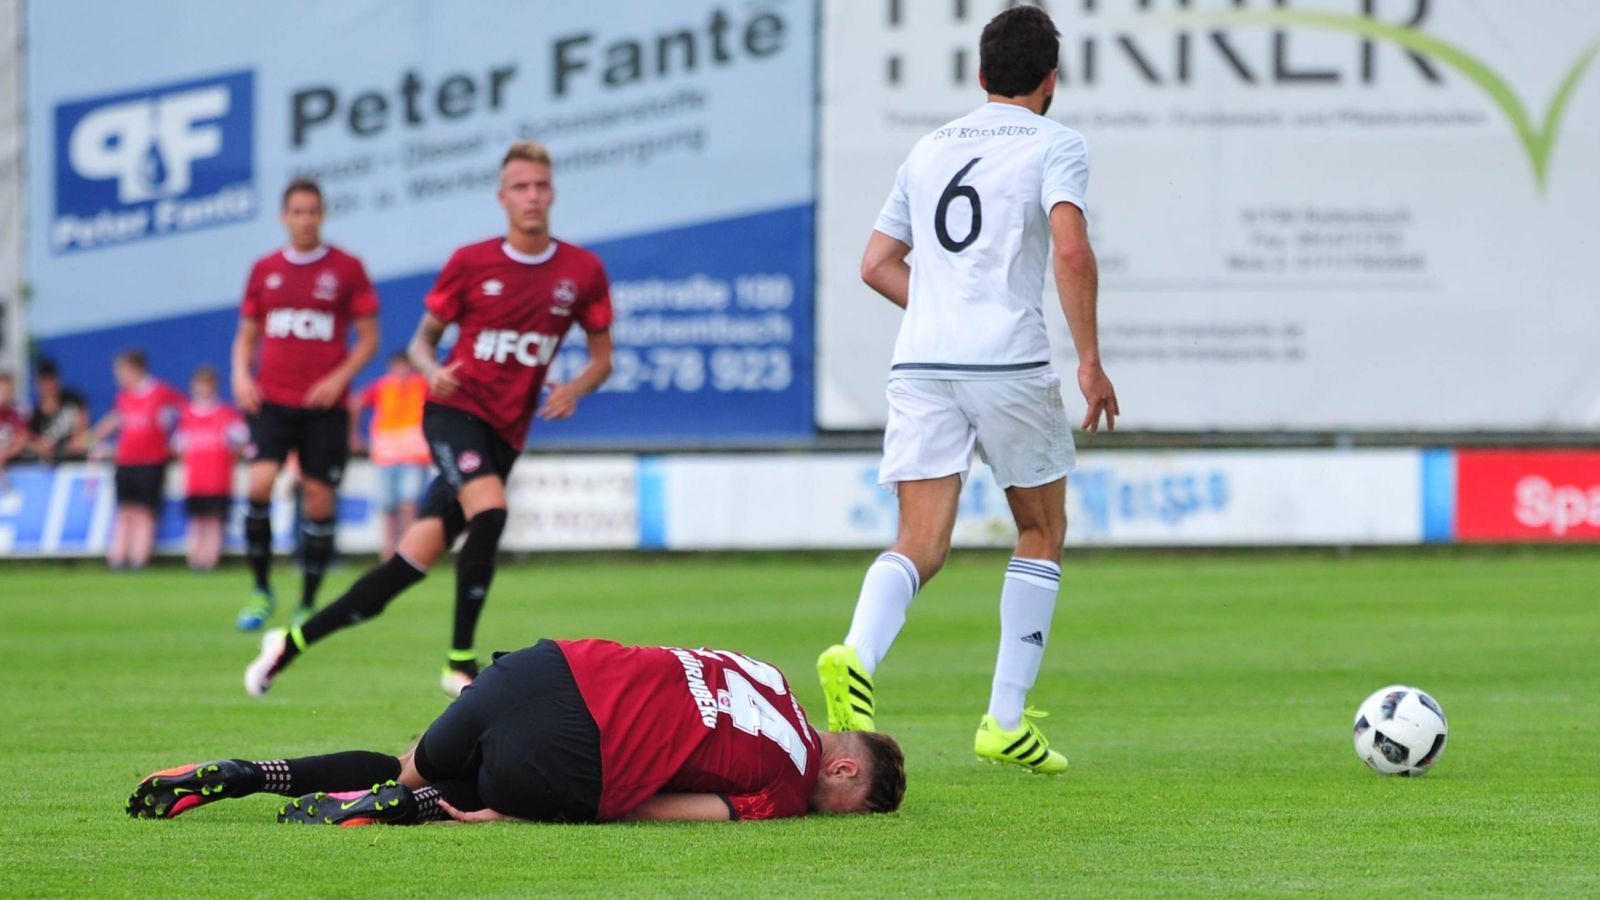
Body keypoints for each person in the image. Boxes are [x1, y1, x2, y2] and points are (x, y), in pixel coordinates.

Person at [816, 6, 1118, 775]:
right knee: (1041, 531)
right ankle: (1004, 721)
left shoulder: (928, 147)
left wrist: (942, 311)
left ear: (980, 77)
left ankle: (855, 652)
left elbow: (876, 263)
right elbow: (1072, 251)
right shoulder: (1058, 143)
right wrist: (1088, 359)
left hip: (920, 362)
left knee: (920, 542)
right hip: (1008, 361)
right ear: (1051, 80)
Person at [244, 141, 614, 699]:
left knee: (404, 568)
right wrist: (429, 369)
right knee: (489, 510)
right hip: (454, 411)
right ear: (502, 197)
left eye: (540, 186)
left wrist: (576, 388)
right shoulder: (471, 262)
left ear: (552, 192)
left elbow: (603, 358)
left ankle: (289, 643)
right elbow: (421, 342)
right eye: (520, 187)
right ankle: (460, 662)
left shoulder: (581, 271)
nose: (531, 196)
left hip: (506, 433)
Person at [132, 638, 905, 824]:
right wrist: (551, 810)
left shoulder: (767, 672)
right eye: (853, 804)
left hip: (542, 668)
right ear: (843, 773)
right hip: (572, 756)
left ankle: (247, 772)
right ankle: (415, 806)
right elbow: (672, 808)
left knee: (410, 758)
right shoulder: (788, 789)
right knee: (474, 790)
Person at [231, 178, 380, 631]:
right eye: (297, 212)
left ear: (323, 215)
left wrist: (339, 379)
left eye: (313, 211)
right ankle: (261, 590)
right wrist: (240, 374)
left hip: (323, 405)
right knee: (258, 485)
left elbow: (369, 338)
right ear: (284, 216)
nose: (305, 220)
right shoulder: (264, 269)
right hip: (272, 398)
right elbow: (248, 332)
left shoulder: (347, 268)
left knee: (318, 498)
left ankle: (308, 601)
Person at [83, 349, 185, 570]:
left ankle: (139, 559)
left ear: (135, 368)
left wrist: (178, 443)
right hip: (125, 461)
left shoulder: (161, 392)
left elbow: (187, 413)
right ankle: (118, 558)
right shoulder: (124, 397)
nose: (118, 376)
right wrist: (89, 438)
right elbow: (115, 420)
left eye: (121, 370)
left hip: (151, 461)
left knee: (144, 511)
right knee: (125, 509)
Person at [349, 351, 431, 560]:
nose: (401, 371)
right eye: (397, 366)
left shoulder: (421, 385)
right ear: (391, 368)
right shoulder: (382, 387)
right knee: (387, 507)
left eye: (405, 366)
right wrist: (354, 435)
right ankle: (388, 553)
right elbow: (356, 403)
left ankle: (408, 551)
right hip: (386, 456)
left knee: (409, 504)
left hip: (413, 456)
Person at [173, 365, 247, 571]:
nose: (204, 389)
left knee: (214, 522)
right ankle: (194, 560)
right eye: (200, 384)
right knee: (195, 522)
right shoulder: (186, 414)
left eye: (208, 384)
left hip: (219, 479)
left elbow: (243, 442)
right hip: (195, 481)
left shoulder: (227, 414)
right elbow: (178, 446)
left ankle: (209, 561)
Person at [27, 359, 89, 463]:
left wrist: (77, 439)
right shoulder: (35, 412)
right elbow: (31, 437)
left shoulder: (73, 399)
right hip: (51, 459)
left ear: (57, 380)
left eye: (50, 381)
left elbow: (83, 422)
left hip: (76, 454)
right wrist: (41, 447)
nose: (48, 386)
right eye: (43, 382)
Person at [0, 373, 28, 479]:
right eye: (2, 392)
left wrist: (5, 454)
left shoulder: (16, 415)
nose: (4, 396)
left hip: (13, 469)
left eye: (7, 392)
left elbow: (23, 439)